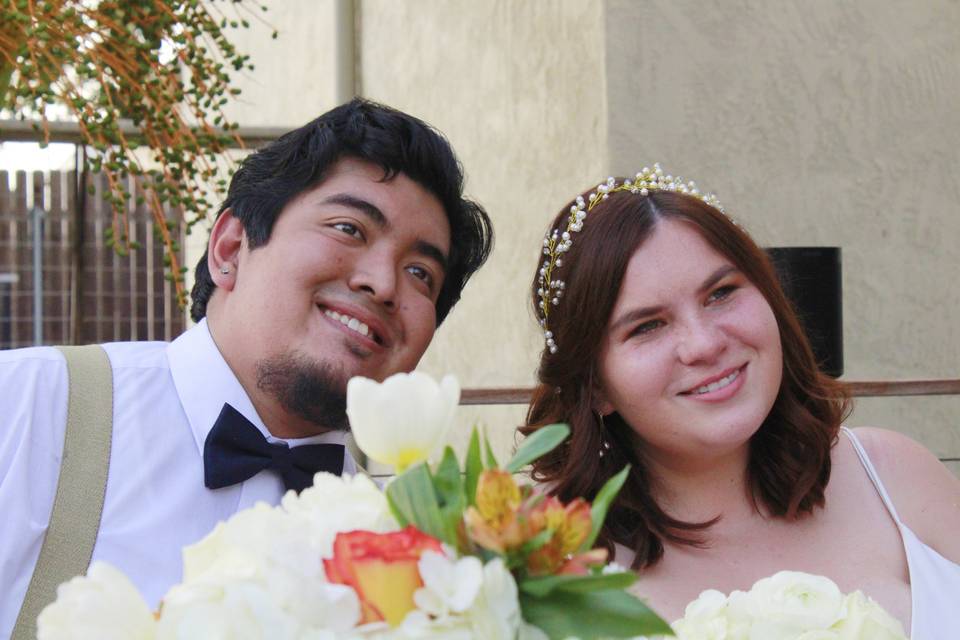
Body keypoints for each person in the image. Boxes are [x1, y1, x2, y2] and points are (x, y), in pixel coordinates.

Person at [0, 98, 493, 635]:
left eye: (421, 273)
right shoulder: (25, 405)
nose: (383, 282)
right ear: (231, 247)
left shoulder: (404, 553)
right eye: (349, 229)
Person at [523, 164, 960, 638]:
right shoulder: (535, 553)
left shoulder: (897, 478)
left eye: (721, 293)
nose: (705, 344)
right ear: (596, 386)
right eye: (647, 326)